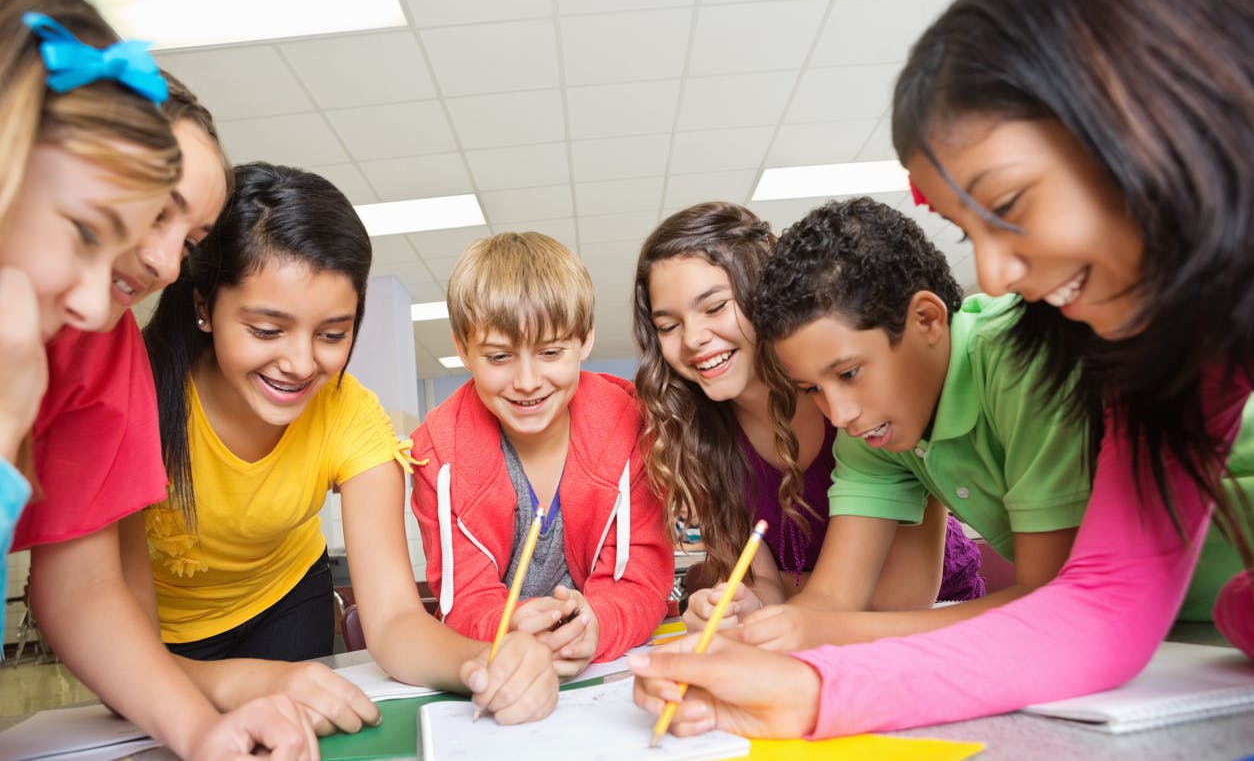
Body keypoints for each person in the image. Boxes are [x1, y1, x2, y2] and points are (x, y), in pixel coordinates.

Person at [629, 0, 1253, 738]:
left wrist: (817, 660)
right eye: (968, 229)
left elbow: (1058, 596)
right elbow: (1107, 602)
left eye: (1011, 202)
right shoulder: (1173, 354)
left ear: (1142, 112)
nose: (991, 275)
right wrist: (809, 687)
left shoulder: (1029, 363)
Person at [1, 0, 317, 756]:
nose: (166, 264)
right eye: (146, 216)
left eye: (195, 238)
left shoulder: (99, 341)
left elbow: (81, 585)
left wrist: (200, 729)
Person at [142, 163, 558, 724]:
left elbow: (391, 621)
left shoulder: (349, 413)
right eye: (267, 330)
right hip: (152, 638)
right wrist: (236, 679)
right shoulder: (138, 396)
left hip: (285, 606)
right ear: (203, 307)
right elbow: (104, 621)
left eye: (333, 334)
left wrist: (483, 663)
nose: (300, 363)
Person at [728, 197, 1090, 651]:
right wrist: (747, 645)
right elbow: (831, 599)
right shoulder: (875, 430)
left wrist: (825, 630)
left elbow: (1049, 601)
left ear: (927, 319)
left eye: (848, 374)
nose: (839, 415)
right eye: (811, 389)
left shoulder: (1022, 360)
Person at [631, 201, 983, 634]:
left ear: (767, 298)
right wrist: (744, 603)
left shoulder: (866, 404)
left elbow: (898, 598)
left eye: (715, 307)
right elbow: (766, 588)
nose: (694, 338)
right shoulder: (697, 436)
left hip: (936, 620)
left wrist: (785, 590)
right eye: (668, 326)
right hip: (813, 629)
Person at [410, 231, 674, 677]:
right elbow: (464, 600)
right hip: (502, 671)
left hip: (605, 675)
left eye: (551, 352)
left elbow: (640, 582)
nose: (528, 381)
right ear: (462, 350)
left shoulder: (635, 428)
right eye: (499, 357)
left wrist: (598, 623)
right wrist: (507, 624)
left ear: (585, 340)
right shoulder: (437, 453)